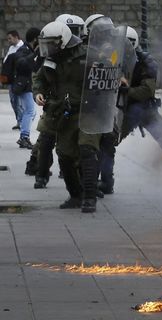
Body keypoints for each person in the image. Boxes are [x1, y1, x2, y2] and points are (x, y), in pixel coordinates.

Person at [97, 26, 162, 194]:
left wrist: (125, 90)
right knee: (108, 142)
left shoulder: (145, 62)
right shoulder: (115, 57)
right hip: (123, 108)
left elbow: (146, 91)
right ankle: (106, 183)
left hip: (143, 108)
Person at [34, 21, 102, 212]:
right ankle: (75, 195)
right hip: (64, 114)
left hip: (89, 111)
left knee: (87, 149)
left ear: (62, 41)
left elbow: (110, 68)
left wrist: (116, 76)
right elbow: (40, 78)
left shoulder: (88, 55)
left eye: (51, 43)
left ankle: (90, 198)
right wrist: (38, 92)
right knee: (64, 155)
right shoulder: (51, 59)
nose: (47, 48)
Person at [26, 14, 85, 187]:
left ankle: (85, 182)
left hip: (77, 108)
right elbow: (39, 78)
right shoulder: (48, 55)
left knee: (80, 147)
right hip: (53, 107)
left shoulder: (83, 53)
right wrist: (38, 93)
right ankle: (41, 175)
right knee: (45, 142)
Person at [11, 28, 41, 149]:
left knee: (31, 112)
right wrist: (35, 54)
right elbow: (21, 64)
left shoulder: (30, 49)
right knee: (29, 111)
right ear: (35, 39)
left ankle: (24, 135)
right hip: (23, 86)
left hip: (28, 85)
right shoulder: (24, 49)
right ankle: (24, 137)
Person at [1, 30, 24, 129]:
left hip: (19, 79)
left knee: (20, 102)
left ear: (16, 37)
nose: (9, 40)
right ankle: (19, 121)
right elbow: (6, 61)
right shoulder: (11, 48)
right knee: (13, 101)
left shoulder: (23, 48)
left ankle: (23, 122)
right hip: (11, 79)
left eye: (10, 38)